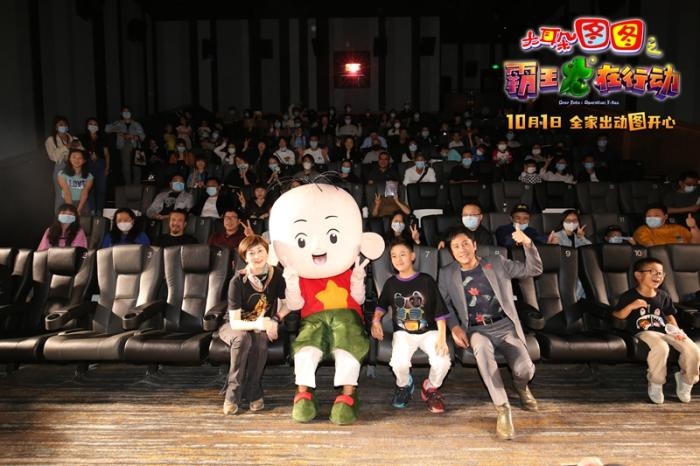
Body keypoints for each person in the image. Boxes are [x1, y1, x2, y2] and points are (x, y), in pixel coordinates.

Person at [269, 183, 384, 425]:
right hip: (313, 319)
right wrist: (291, 281)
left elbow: (359, 300)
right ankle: (303, 393)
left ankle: (348, 395)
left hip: (346, 316)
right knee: (306, 350)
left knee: (347, 348)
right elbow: (295, 304)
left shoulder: (346, 268)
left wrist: (358, 279)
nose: (318, 246)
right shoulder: (301, 273)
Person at [439, 225, 543, 440]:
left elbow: (534, 270)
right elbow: (443, 304)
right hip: (476, 330)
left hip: (505, 327)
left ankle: (522, 387)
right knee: (482, 353)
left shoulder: (496, 263)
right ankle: (503, 409)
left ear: (474, 245)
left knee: (525, 370)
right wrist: (454, 327)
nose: (462, 249)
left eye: (465, 244)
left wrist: (527, 243)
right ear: (451, 251)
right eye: (456, 246)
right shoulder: (447, 273)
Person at [371, 239, 451, 412]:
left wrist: (442, 338)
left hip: (429, 331)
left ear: (412, 256)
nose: (398, 259)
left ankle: (430, 387)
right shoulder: (391, 283)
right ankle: (405, 385)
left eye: (403, 254)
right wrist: (375, 321)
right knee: (398, 363)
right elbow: (381, 306)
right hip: (403, 332)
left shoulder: (426, 280)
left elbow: (440, 312)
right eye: (393, 256)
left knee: (443, 361)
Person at [218, 235, 290, 415]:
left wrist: (275, 319)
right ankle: (232, 395)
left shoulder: (276, 275)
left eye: (260, 251)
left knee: (260, 343)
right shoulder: (237, 281)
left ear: (267, 252)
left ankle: (253, 391)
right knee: (242, 339)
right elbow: (235, 322)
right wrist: (259, 323)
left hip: (260, 325)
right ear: (244, 257)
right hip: (233, 326)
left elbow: (288, 303)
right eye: (251, 253)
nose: (257, 256)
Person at [613, 258, 700, 404]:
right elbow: (617, 315)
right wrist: (631, 306)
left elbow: (670, 316)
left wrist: (677, 331)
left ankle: (686, 381)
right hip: (645, 332)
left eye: (660, 273)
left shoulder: (663, 296)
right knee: (661, 348)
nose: (658, 276)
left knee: (693, 349)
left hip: (666, 331)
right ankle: (656, 383)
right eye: (653, 272)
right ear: (638, 275)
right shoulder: (629, 296)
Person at [105, 106, 145, 185]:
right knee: (126, 167)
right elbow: (107, 129)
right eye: (124, 112)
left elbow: (143, 136)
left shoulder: (136, 124)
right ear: (121, 113)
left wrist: (133, 136)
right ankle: (128, 186)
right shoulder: (119, 123)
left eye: (128, 111)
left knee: (137, 167)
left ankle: (137, 186)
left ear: (131, 113)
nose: (126, 113)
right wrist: (117, 129)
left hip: (137, 146)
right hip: (124, 145)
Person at [46, 115, 78, 210]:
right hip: (60, 168)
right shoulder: (51, 139)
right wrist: (66, 147)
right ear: (55, 127)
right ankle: (59, 218)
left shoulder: (73, 138)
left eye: (65, 124)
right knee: (60, 196)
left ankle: (73, 216)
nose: (63, 126)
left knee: (74, 195)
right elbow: (53, 156)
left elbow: (82, 152)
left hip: (74, 168)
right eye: (60, 124)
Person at [80, 117, 111, 213]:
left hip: (100, 164)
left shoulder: (102, 137)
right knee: (89, 188)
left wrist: (107, 167)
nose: (93, 126)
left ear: (98, 126)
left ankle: (100, 210)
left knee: (102, 188)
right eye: (91, 124)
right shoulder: (82, 138)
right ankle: (92, 210)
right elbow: (80, 151)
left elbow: (106, 154)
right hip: (88, 163)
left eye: (95, 124)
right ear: (87, 125)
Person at [632, 204, 700, 246]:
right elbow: (649, 247)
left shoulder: (678, 228)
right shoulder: (642, 230)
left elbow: (696, 244)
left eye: (656, 215)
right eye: (649, 216)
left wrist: (693, 227)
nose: (652, 218)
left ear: (665, 217)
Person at [57, 149, 94, 215]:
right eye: (74, 157)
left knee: (83, 220)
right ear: (69, 159)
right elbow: (67, 192)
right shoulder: (62, 174)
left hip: (82, 203)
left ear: (84, 161)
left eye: (80, 158)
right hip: (67, 202)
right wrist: (71, 210)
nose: (76, 160)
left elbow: (85, 192)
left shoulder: (89, 176)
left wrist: (78, 209)